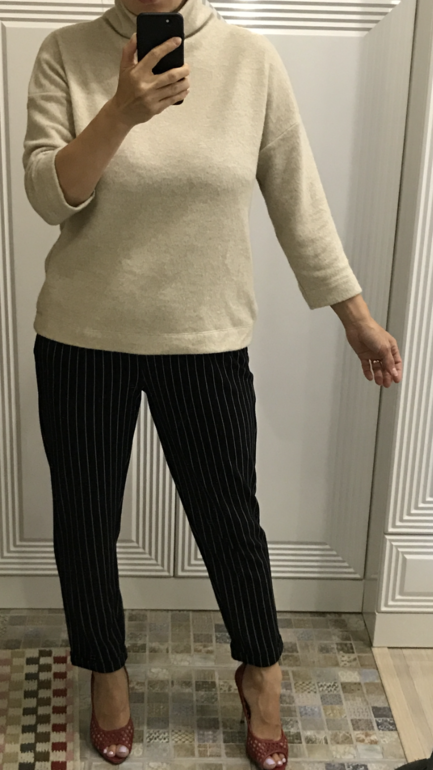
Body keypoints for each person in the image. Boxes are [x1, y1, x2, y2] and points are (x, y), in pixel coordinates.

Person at [22, 0, 403, 763]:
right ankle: (106, 672)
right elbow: (46, 196)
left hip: (204, 337)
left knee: (230, 519)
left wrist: (354, 315)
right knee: (86, 522)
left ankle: (260, 671)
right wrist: (121, 113)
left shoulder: (250, 62)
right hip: (82, 335)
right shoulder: (64, 53)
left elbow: (298, 199)